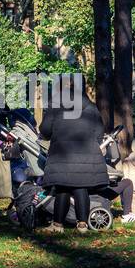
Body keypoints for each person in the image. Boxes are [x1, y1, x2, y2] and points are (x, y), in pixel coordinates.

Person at [39, 73, 109, 232]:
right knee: (81, 187)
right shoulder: (90, 107)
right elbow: (99, 132)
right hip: (86, 155)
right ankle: (82, 224)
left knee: (63, 187)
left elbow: (45, 130)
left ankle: (57, 224)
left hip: (62, 155)